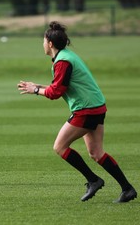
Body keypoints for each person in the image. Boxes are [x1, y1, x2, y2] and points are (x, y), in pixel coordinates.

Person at [17, 21, 137, 203]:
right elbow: (61, 86)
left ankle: (93, 180)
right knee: (96, 152)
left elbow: (55, 93)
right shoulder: (66, 56)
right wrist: (38, 86)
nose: (42, 44)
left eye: (43, 40)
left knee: (60, 147)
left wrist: (35, 90)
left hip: (86, 109)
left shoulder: (63, 61)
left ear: (50, 43)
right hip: (96, 106)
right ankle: (127, 189)